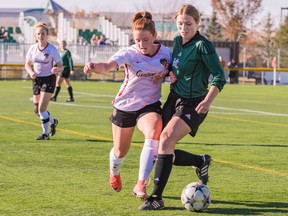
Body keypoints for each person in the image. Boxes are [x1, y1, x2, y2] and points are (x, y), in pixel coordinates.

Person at [139, 4, 226, 210]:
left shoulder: (203, 46)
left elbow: (220, 76)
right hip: (174, 98)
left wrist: (208, 100)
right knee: (162, 148)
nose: (184, 27)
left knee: (166, 140)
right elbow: (176, 65)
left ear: (197, 23)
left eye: (188, 23)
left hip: (194, 103)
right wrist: (167, 72)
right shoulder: (178, 41)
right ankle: (200, 160)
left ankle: (156, 198)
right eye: (180, 23)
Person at [83, 11, 172, 199]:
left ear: (155, 36)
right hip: (125, 107)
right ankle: (114, 171)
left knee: (155, 129)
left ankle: (141, 184)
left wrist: (165, 74)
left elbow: (174, 70)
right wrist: (94, 66)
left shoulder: (166, 54)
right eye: (138, 40)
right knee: (120, 151)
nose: (141, 45)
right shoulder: (129, 53)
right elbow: (107, 66)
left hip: (149, 106)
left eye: (146, 40)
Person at [25, 22, 63, 140]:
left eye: (43, 33)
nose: (40, 36)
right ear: (36, 35)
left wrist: (57, 68)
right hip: (37, 80)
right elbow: (27, 64)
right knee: (37, 110)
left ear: (47, 35)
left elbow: (61, 66)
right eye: (38, 34)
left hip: (49, 79)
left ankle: (45, 134)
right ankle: (53, 121)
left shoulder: (52, 49)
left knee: (42, 109)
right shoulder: (32, 48)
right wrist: (31, 72)